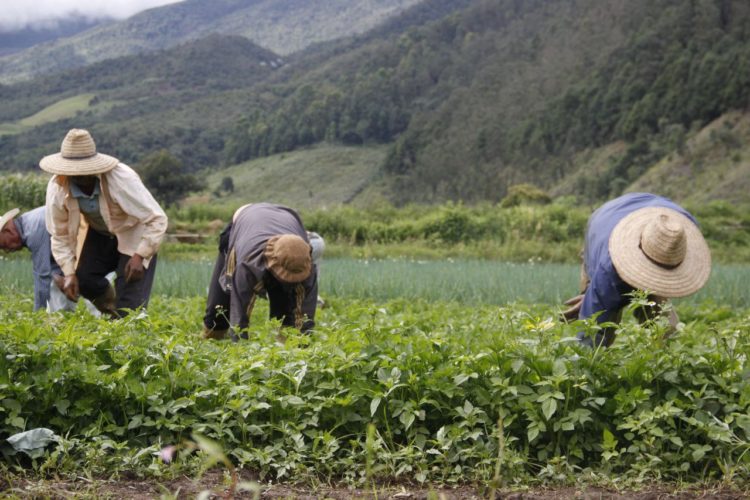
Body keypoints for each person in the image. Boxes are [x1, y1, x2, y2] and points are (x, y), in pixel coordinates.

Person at [40, 128, 168, 318]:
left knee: (130, 298)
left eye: (84, 170)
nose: (79, 176)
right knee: (85, 280)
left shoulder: (121, 178)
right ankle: (112, 311)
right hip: (100, 233)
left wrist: (140, 256)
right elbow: (59, 235)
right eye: (73, 171)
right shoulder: (58, 187)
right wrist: (69, 273)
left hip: (133, 233)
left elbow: (157, 218)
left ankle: (125, 319)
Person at [562, 192, 711, 348]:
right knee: (601, 326)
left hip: (639, 211)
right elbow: (592, 329)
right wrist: (593, 296)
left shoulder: (678, 230)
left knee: (664, 328)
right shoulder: (608, 267)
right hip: (601, 224)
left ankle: (665, 354)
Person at [202, 203, 318, 341]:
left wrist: (302, 344)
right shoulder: (247, 263)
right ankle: (213, 335)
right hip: (244, 222)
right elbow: (239, 311)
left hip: (285, 219)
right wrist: (240, 346)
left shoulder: (303, 259)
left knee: (287, 299)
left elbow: (306, 313)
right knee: (220, 306)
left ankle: (285, 342)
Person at [0, 206, 64, 311]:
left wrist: (37, 314)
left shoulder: (33, 231)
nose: (7, 250)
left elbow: (42, 276)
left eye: (3, 245)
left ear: (8, 231)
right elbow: (53, 260)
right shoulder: (28, 222)